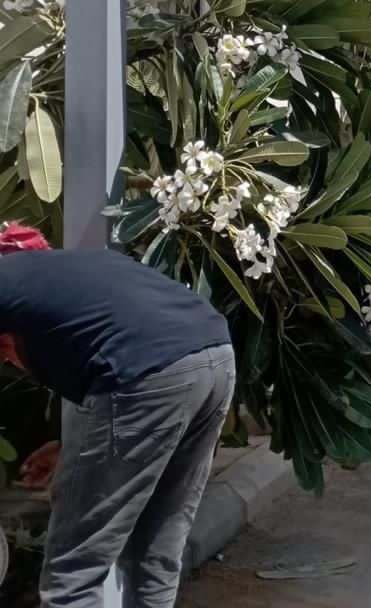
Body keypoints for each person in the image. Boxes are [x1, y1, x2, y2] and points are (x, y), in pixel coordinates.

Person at [0, 224, 235, 608]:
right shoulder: (69, 278)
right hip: (215, 358)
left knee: (73, 572)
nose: (9, 362)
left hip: (145, 373)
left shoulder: (7, 283)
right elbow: (112, 346)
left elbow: (132, 364)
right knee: (156, 551)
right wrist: (72, 447)